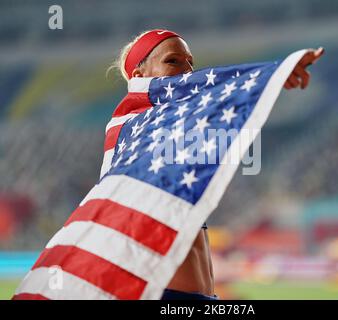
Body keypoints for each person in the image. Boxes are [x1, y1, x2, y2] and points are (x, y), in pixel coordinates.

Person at [109, 29, 324, 300]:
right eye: (173, 61)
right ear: (140, 79)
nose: (188, 71)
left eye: (191, 62)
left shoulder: (181, 131)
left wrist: (270, 81)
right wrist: (269, 75)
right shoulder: (135, 128)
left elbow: (219, 99)